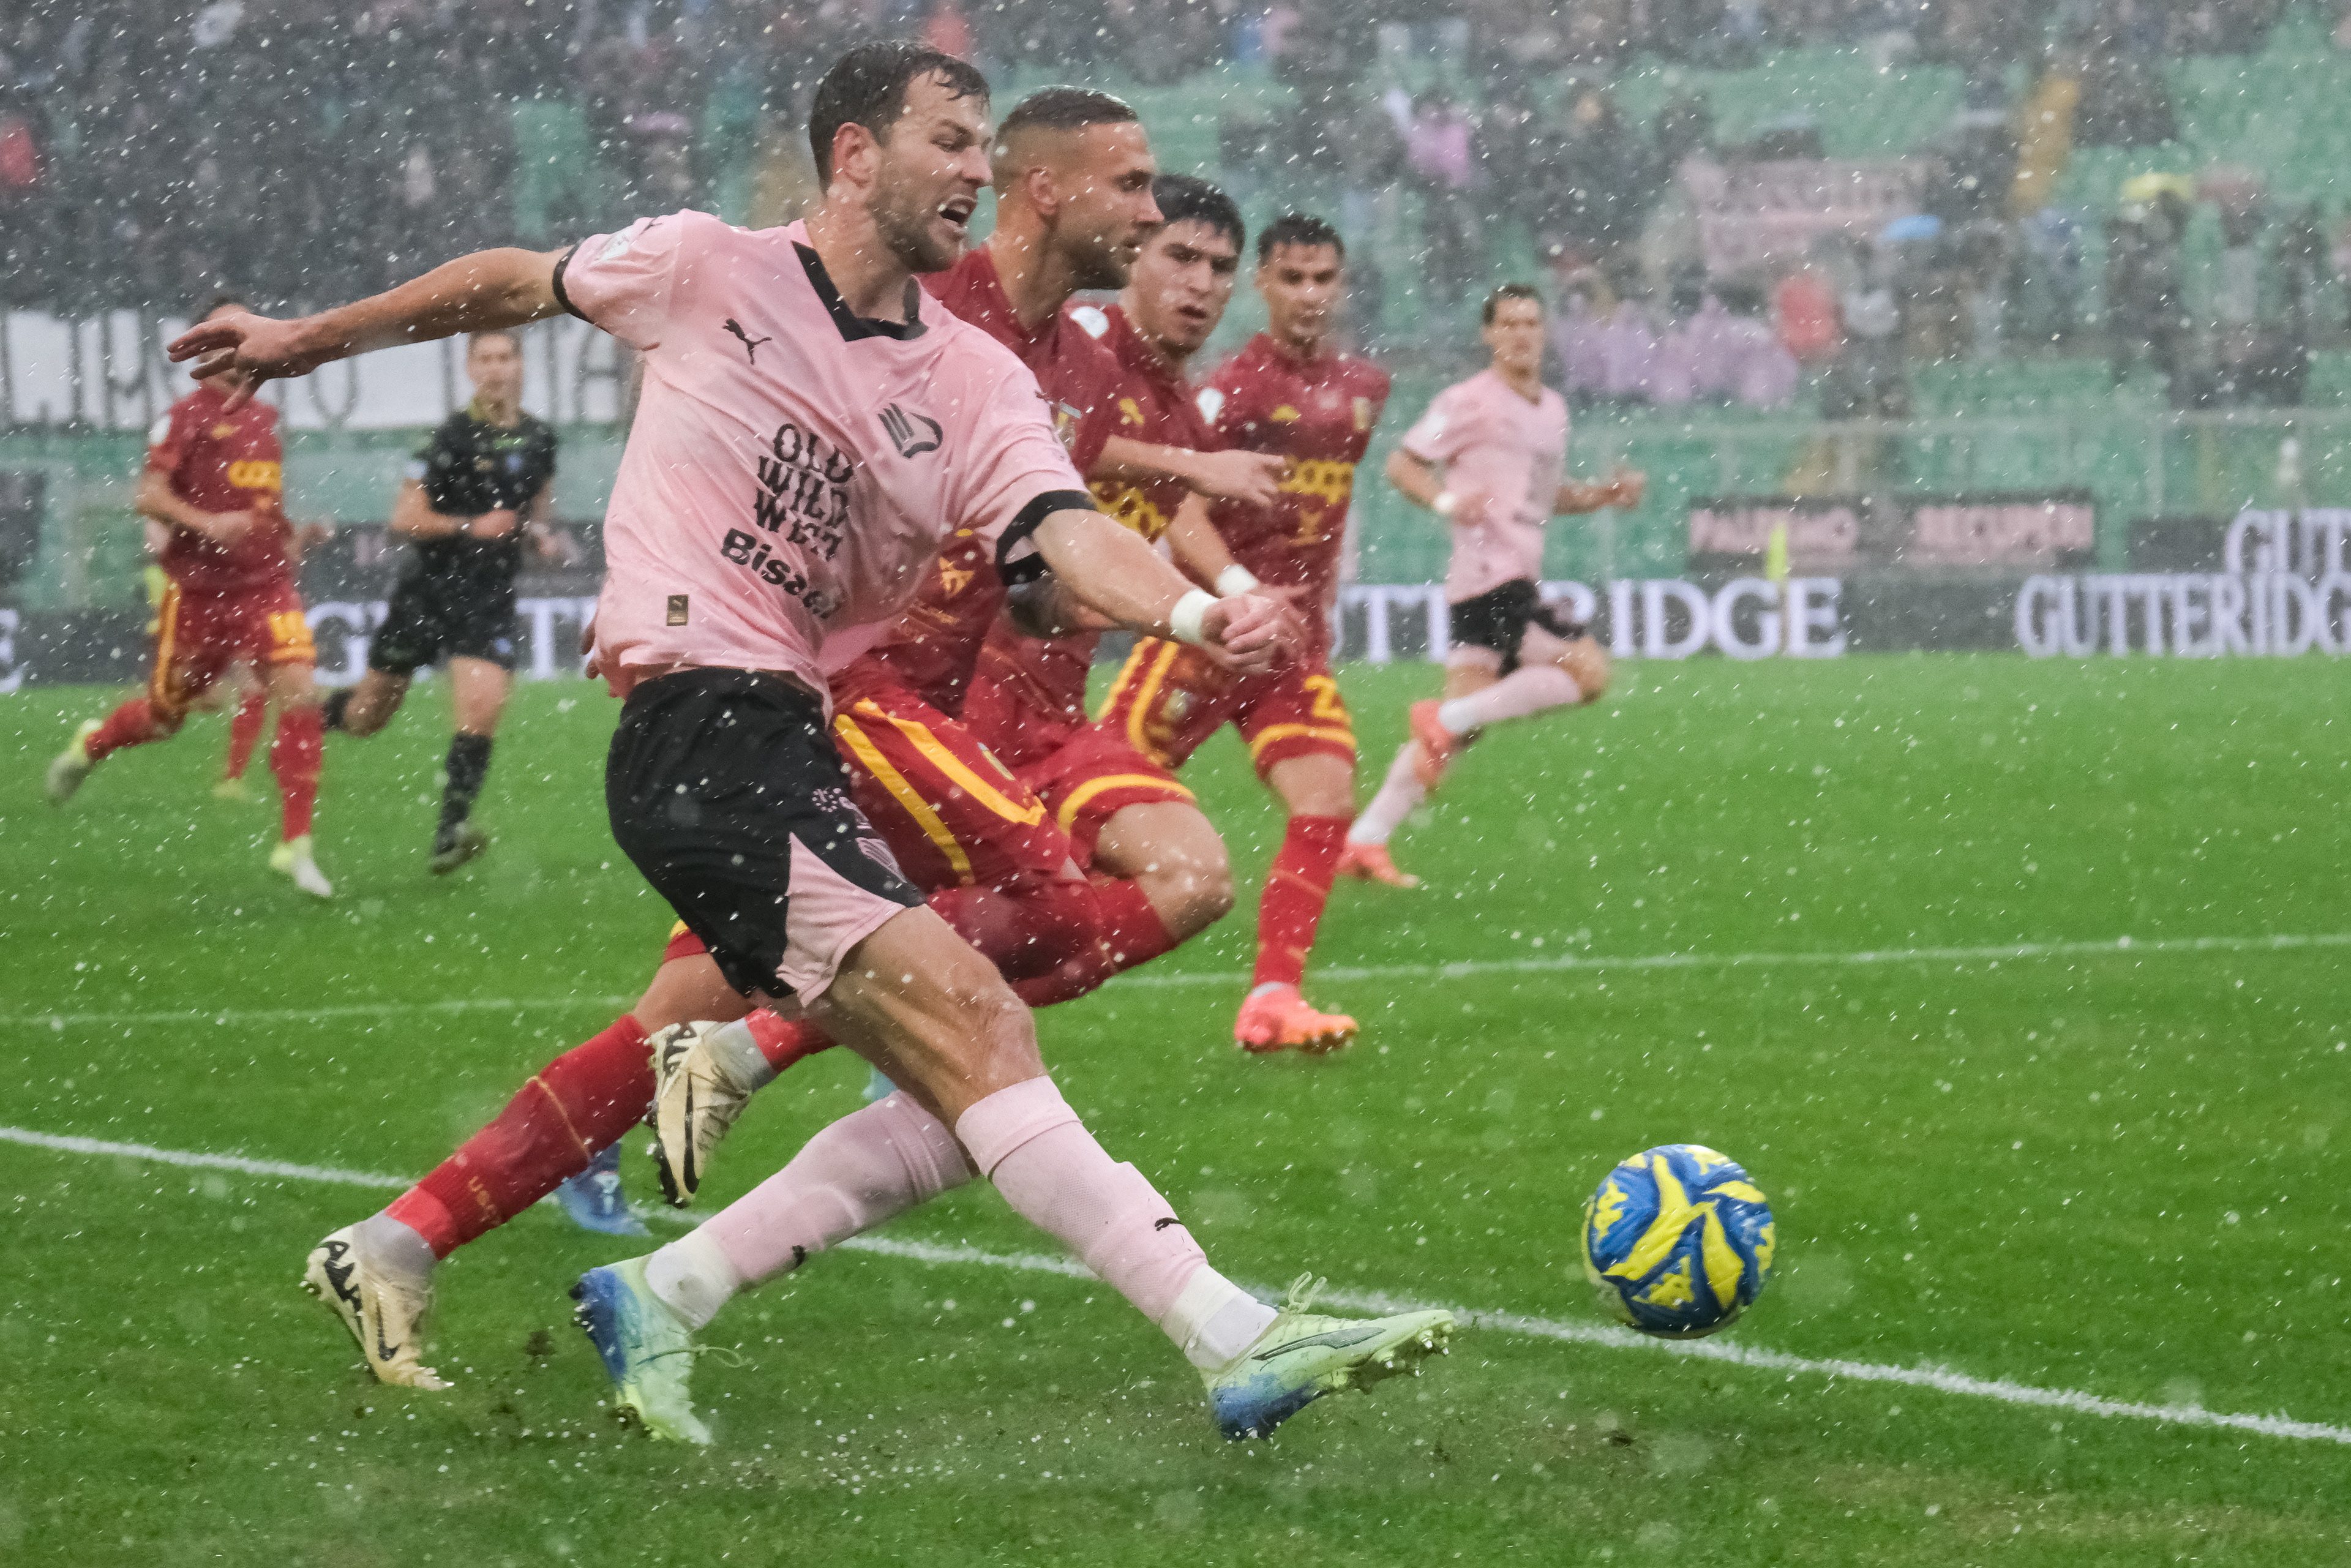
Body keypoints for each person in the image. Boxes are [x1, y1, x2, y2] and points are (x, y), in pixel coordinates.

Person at [175, 43, 1450, 1444]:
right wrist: (306, 340)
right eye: (948, 142)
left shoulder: (972, 377)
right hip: (714, 728)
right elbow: (513, 277)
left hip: (781, 743)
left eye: (981, 146)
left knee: (964, 1037)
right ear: (854, 156)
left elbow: (1060, 536)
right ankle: (1232, 1335)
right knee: (987, 996)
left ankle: (541, 1259)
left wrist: (1198, 610)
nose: (970, 170)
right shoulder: (705, 265)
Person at [1093, 212, 1391, 1049]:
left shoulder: (1365, 391)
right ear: (1262, 284)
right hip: (1204, 640)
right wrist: (1238, 591)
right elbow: (1180, 510)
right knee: (1080, 827)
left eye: (1323, 279)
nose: (1309, 295)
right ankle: (961, 962)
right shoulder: (1232, 388)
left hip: (1290, 650)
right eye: (1291, 279)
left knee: (1326, 796)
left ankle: (1273, 998)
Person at [1340, 283, 1643, 885]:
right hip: (1491, 577)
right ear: (1489, 334)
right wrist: (1449, 500)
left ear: (1544, 331)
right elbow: (1402, 464)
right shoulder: (1468, 401)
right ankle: (1442, 720)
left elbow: (1542, 498)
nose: (1522, 333)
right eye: (1509, 323)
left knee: (1459, 727)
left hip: (1500, 580)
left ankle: (1365, 840)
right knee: (1589, 673)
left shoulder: (1552, 410)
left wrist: (1603, 495)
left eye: (1531, 322)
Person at [48, 296, 332, 899]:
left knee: (301, 690)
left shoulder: (264, 419)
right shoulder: (184, 417)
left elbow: (262, 509)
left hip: (266, 588)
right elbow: (148, 496)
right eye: (224, 336)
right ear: (205, 347)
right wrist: (206, 523)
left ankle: (296, 844)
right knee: (163, 715)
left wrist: (292, 535)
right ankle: (92, 744)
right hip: (201, 595)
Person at [320, 329, 563, 873]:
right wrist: (470, 525)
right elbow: (405, 520)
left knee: (482, 710)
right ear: (471, 368)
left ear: (521, 366)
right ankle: (313, 720)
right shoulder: (447, 440)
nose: (497, 368)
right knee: (367, 715)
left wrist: (540, 534)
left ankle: (448, 833)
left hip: (489, 597)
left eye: (506, 357)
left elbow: (539, 507)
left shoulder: (541, 439)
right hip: (428, 592)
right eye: (486, 358)